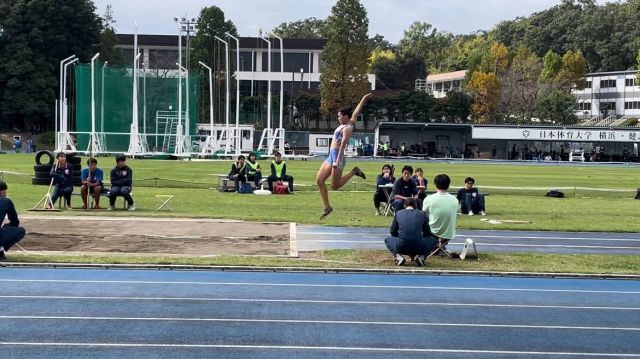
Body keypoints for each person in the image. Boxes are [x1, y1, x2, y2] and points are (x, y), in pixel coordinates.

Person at [316, 93, 371, 219]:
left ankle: (354, 172)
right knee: (319, 181)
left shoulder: (347, 129)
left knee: (335, 186)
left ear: (345, 116)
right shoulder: (348, 122)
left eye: (340, 116)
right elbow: (356, 112)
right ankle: (327, 207)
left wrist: (336, 161)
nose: (338, 118)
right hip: (331, 155)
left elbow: (342, 146)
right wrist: (363, 98)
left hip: (337, 157)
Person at [384, 197, 437, 267]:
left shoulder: (398, 213)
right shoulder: (422, 214)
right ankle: (422, 257)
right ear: (416, 206)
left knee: (387, 239)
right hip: (420, 247)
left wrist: (401, 237)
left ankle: (398, 257)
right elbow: (427, 233)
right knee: (434, 239)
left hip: (402, 247)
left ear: (404, 205)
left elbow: (393, 232)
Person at [422, 174, 458, 251]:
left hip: (433, 232)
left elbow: (423, 216)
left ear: (435, 184)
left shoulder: (429, 199)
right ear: (448, 185)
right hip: (449, 233)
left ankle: (434, 245)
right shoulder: (455, 200)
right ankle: (440, 245)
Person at [0, 181, 26, 260]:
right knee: (21, 230)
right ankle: (0, 250)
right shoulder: (6, 201)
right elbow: (15, 221)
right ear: (1, 192)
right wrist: (6, 227)